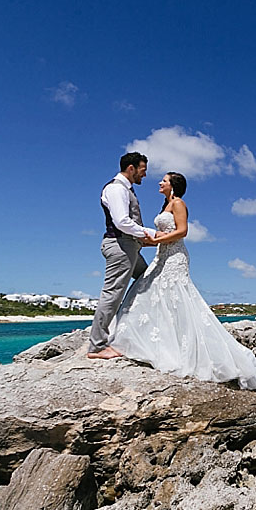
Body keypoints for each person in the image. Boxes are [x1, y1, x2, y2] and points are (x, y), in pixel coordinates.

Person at [105, 171, 256, 390]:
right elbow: (164, 234)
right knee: (147, 291)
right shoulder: (165, 205)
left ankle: (182, 351)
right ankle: (146, 342)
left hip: (175, 257)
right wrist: (151, 242)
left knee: (176, 299)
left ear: (173, 185)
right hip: (162, 255)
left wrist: (157, 239)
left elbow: (182, 231)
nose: (160, 182)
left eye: (164, 181)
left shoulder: (178, 204)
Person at [87, 152, 158, 359]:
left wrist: (145, 240)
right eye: (142, 171)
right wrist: (151, 234)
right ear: (131, 168)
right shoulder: (117, 189)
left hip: (129, 246)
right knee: (112, 294)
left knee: (147, 278)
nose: (144, 176)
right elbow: (122, 222)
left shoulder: (126, 189)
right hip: (120, 247)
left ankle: (129, 326)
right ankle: (97, 346)